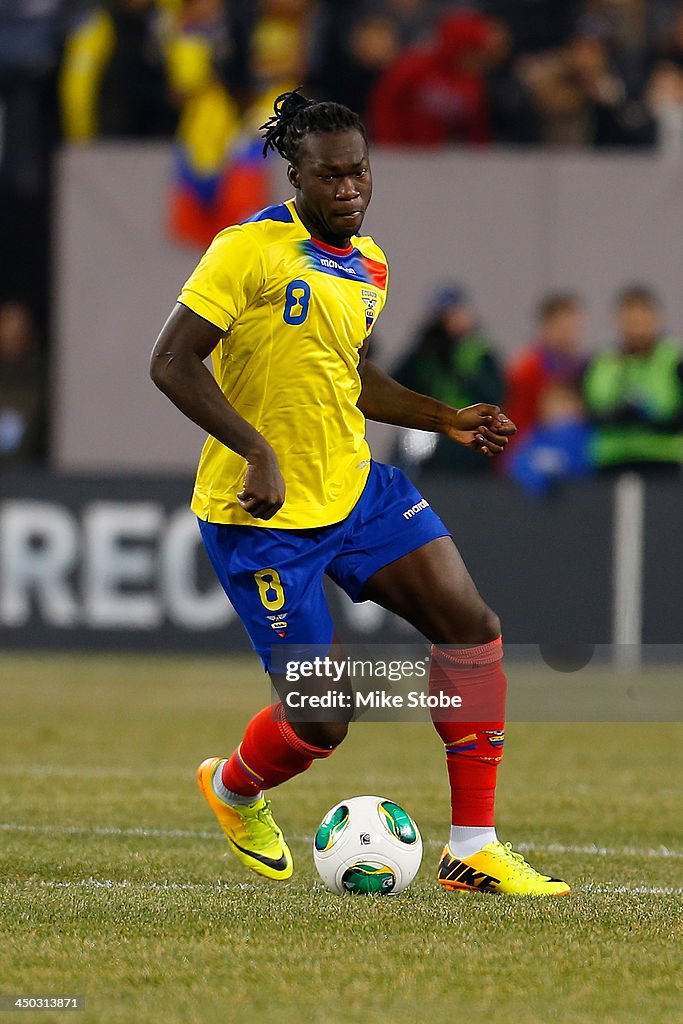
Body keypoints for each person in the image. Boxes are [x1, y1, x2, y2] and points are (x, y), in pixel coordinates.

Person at [151, 88, 569, 896]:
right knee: (321, 719)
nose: (349, 188)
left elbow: (351, 378)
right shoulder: (246, 249)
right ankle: (233, 788)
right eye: (330, 176)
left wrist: (443, 416)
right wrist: (254, 448)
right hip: (262, 516)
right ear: (296, 177)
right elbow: (170, 361)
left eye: (360, 172)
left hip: (357, 490)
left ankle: (473, 847)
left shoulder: (369, 263)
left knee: (471, 627)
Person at [393, 282, 504, 475]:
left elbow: (495, 393)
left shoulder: (478, 351)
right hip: (432, 429)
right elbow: (396, 383)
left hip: (469, 433)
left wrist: (466, 374)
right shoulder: (425, 350)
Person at [583, 285, 683, 473]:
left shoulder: (673, 361)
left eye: (642, 321)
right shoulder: (601, 363)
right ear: (618, 321)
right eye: (630, 321)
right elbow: (590, 413)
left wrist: (651, 419)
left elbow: (677, 416)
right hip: (612, 462)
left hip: (661, 462)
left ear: (656, 320)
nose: (636, 329)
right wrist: (618, 415)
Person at [505, 291, 587, 439]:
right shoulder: (527, 369)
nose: (571, 333)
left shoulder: (580, 367)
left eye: (574, 327)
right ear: (547, 326)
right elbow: (517, 421)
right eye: (564, 327)